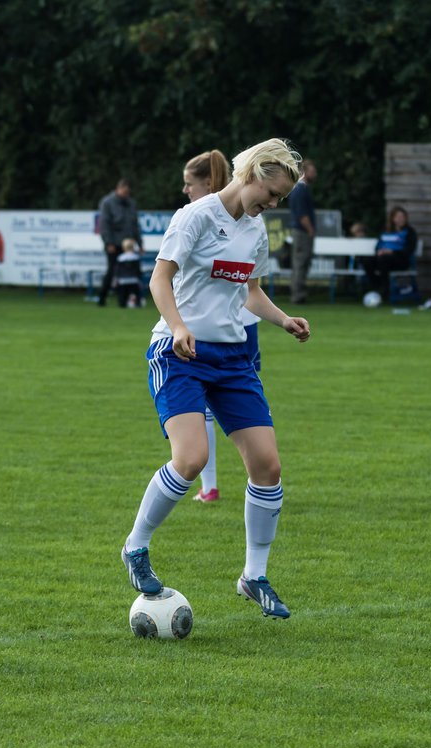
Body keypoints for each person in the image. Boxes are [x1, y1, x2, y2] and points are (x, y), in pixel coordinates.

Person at [121, 138, 310, 620]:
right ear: (249, 174)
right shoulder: (196, 217)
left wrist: (283, 319)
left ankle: (254, 576)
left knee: (267, 466)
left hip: (231, 361)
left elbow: (250, 292)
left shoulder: (255, 231)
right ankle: (136, 547)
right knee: (191, 458)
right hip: (179, 352)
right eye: (271, 192)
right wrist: (180, 326)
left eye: (281, 199)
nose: (272, 204)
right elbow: (159, 280)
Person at [179, 149, 259, 505]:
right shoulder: (198, 216)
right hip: (238, 328)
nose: (186, 191)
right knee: (208, 416)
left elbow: (251, 289)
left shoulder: (244, 222)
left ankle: (213, 486)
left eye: (188, 184)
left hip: (227, 333)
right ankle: (214, 484)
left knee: (215, 411)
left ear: (208, 183)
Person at [97, 178, 141, 307]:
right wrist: (108, 242)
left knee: (129, 274)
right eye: (124, 191)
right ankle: (102, 298)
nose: (126, 195)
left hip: (128, 245)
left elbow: (135, 225)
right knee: (112, 272)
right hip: (114, 244)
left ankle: (125, 300)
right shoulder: (107, 203)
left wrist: (140, 243)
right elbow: (104, 225)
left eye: (128, 192)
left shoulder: (131, 204)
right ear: (118, 189)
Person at [361, 207, 418, 296]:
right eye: (398, 217)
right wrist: (379, 251)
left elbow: (409, 250)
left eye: (403, 217)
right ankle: (377, 286)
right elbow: (377, 246)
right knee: (367, 260)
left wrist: (392, 252)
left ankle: (385, 289)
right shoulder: (385, 231)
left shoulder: (410, 232)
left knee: (384, 259)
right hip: (383, 259)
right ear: (392, 218)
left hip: (400, 260)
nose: (401, 219)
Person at [286, 159, 317, 305]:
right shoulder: (300, 190)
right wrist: (310, 230)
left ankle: (300, 294)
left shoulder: (301, 189)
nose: (315, 173)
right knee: (300, 262)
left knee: (302, 262)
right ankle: (298, 295)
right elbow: (302, 214)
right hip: (302, 232)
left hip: (301, 231)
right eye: (312, 170)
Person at [114, 238, 145, 308]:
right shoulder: (136, 257)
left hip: (122, 281)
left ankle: (122, 304)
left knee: (122, 296)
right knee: (136, 294)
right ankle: (137, 303)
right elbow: (138, 270)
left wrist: (116, 279)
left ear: (123, 247)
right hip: (134, 280)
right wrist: (139, 279)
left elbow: (117, 270)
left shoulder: (120, 258)